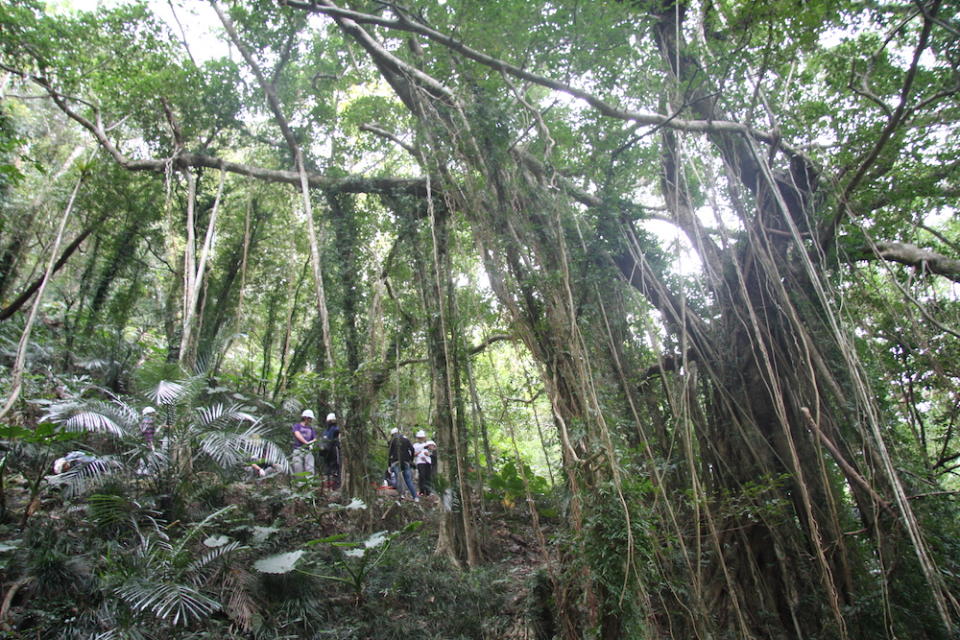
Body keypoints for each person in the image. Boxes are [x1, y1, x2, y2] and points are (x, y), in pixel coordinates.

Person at [388, 427, 418, 502]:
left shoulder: (392, 441)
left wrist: (389, 465)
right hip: (405, 462)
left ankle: (401, 495)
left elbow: (390, 454)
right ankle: (415, 497)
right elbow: (412, 449)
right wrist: (410, 459)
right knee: (408, 480)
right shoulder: (406, 439)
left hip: (396, 462)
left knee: (398, 478)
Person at [291, 409, 318, 476]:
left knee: (310, 467)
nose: (311, 420)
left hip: (308, 450)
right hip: (298, 449)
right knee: (298, 467)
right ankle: (300, 485)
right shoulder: (297, 426)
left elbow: (315, 439)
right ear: (305, 418)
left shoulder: (311, 428)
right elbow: (297, 434)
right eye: (310, 418)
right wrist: (306, 443)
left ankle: (309, 484)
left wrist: (311, 443)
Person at [413, 429, 436, 496]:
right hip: (420, 462)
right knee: (422, 476)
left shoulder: (427, 444)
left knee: (428, 476)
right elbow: (412, 454)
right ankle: (422, 491)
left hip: (428, 462)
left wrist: (429, 453)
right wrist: (417, 453)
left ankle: (428, 491)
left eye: (422, 438)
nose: (421, 439)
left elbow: (434, 448)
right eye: (419, 438)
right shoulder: (415, 445)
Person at [322, 412, 341, 489]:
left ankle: (329, 486)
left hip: (327, 451)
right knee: (334, 468)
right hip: (332, 450)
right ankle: (333, 486)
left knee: (329, 468)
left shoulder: (326, 431)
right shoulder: (335, 429)